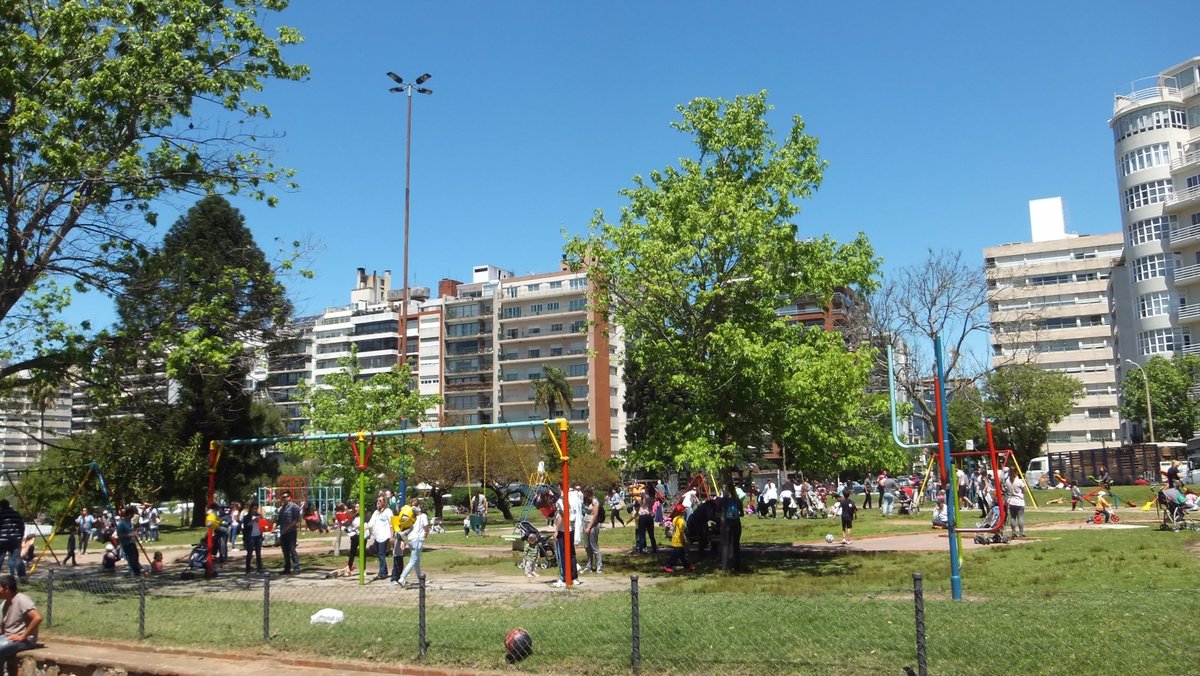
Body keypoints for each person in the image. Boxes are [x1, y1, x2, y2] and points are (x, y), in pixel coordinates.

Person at [0, 575, 41, 661]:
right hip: (7, 637)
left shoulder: (22, 599)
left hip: (25, 641)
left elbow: (37, 618)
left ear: (6, 588)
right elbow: (3, 628)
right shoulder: (4, 603)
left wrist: (23, 636)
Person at [397, 499, 430, 588]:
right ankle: (402, 577)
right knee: (413, 560)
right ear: (419, 506)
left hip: (411, 540)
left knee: (416, 560)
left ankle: (420, 578)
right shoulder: (423, 516)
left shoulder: (410, 518)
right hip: (418, 540)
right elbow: (426, 527)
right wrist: (426, 534)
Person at [366, 496, 394, 580]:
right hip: (377, 537)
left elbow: (391, 524)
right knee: (379, 554)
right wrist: (363, 527)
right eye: (377, 500)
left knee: (381, 554)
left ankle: (381, 574)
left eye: (380, 500)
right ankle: (384, 571)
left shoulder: (388, 511)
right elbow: (371, 523)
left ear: (384, 502)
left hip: (384, 536)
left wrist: (391, 536)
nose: (378, 502)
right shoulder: (376, 512)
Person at [274, 491, 301, 574]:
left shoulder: (294, 507)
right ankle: (287, 568)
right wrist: (275, 523)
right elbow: (279, 520)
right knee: (285, 551)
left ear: (289, 497)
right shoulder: (282, 508)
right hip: (283, 532)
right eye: (282, 497)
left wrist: (287, 528)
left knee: (292, 550)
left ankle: (296, 568)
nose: (283, 499)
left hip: (291, 532)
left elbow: (296, 519)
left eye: (285, 497)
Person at [717, 483, 742, 572]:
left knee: (725, 545)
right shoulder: (738, 500)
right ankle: (737, 566)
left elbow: (718, 511)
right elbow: (742, 513)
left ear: (726, 489)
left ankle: (724, 567)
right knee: (736, 545)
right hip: (736, 523)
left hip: (726, 524)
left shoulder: (723, 500)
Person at [663, 505, 693, 573]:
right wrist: (685, 539)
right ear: (682, 512)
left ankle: (687, 566)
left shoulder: (675, 518)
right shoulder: (681, 521)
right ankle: (668, 566)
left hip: (675, 538)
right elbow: (682, 532)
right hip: (679, 540)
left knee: (681, 555)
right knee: (675, 556)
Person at [116, 505, 143, 576]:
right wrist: (129, 535)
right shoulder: (122, 524)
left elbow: (132, 531)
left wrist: (135, 533)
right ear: (129, 514)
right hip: (126, 544)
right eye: (132, 514)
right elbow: (119, 535)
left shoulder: (129, 522)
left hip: (131, 542)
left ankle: (137, 570)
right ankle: (136, 572)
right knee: (132, 558)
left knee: (136, 555)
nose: (133, 516)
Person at [581, 487, 602, 574]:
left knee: (594, 546)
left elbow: (595, 515)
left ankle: (599, 566)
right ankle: (588, 566)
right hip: (585, 523)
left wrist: (589, 527)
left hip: (593, 525)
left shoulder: (595, 502)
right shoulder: (586, 501)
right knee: (587, 546)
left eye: (585, 493)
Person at [240, 502, 264, 574]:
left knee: (258, 553)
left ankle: (259, 568)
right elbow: (246, 527)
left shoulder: (259, 516)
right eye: (254, 508)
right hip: (250, 537)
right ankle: (248, 569)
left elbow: (263, 524)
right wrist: (253, 521)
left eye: (256, 508)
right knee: (249, 553)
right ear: (251, 509)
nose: (255, 510)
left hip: (258, 536)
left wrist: (261, 521)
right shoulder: (247, 517)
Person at [0, 502, 22, 579]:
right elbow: (21, 526)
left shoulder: (1, 513)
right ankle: (20, 576)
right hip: (15, 539)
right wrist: (20, 537)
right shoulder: (16, 514)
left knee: (1, 556)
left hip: (3, 539)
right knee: (15, 557)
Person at [1004, 467, 1027, 538]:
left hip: (1011, 501)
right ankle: (1021, 532)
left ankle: (1013, 532)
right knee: (1020, 517)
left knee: (1013, 517)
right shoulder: (1019, 481)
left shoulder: (1007, 481)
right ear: (1016, 472)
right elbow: (1024, 491)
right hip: (1019, 501)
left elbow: (1005, 488)